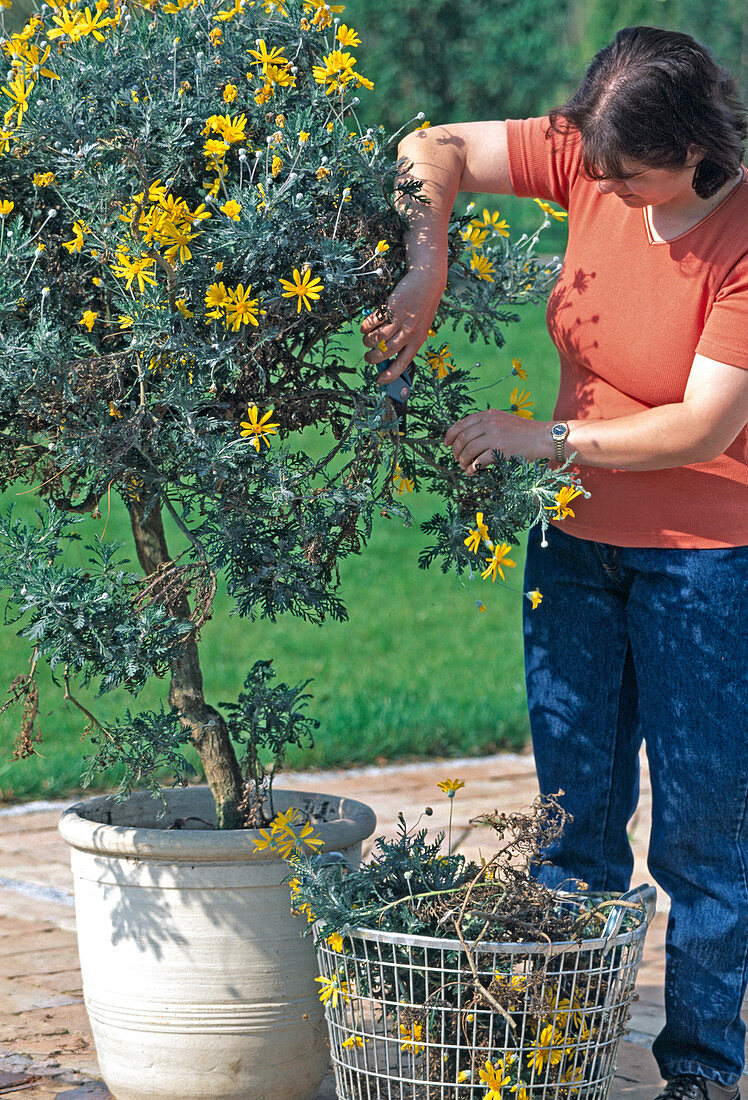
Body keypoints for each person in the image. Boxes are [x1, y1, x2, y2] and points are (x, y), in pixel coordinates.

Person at [361, 25, 748, 1100]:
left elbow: (701, 427)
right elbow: (428, 144)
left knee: (703, 842)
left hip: (706, 567)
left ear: (693, 146)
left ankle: (704, 1072)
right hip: (574, 548)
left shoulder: (742, 236)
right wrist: (426, 259)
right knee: (570, 823)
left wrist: (539, 437)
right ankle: (563, 1057)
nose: (605, 190)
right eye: (597, 168)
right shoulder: (592, 154)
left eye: (629, 174)